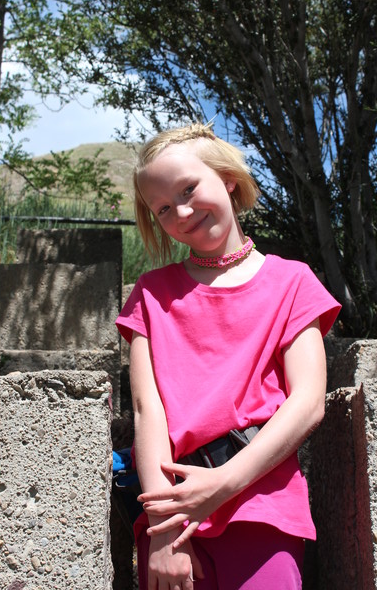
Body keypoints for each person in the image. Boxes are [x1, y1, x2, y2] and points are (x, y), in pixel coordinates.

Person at [116, 123, 341, 590]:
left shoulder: (293, 283)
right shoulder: (151, 295)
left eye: (189, 189)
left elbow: (308, 401)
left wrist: (220, 486)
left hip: (262, 505)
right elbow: (146, 409)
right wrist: (167, 528)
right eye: (162, 208)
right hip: (173, 516)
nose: (180, 211)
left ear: (228, 178)